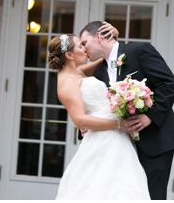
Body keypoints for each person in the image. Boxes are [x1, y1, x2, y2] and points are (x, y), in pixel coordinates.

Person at [79, 21, 174, 200]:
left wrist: (150, 117)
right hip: (121, 147)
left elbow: (168, 84)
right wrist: (86, 126)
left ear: (98, 36)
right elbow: (101, 104)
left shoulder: (140, 51)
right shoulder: (98, 71)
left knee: (152, 197)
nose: (82, 49)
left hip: (155, 141)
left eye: (84, 43)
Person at [49, 24, 150, 200]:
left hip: (116, 137)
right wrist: (120, 124)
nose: (85, 48)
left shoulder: (78, 73)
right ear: (69, 55)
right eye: (81, 46)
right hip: (105, 136)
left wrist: (114, 38)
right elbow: (80, 120)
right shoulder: (66, 83)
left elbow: (110, 56)